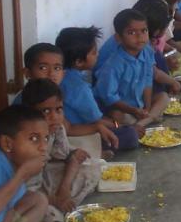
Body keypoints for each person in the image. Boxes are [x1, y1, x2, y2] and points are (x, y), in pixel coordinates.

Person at [20, 79, 102, 222]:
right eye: (45, 111)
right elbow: (24, 192)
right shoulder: (27, 145)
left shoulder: (57, 129)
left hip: (46, 175)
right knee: (50, 216)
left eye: (58, 109)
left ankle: (63, 201)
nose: (54, 116)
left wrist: (64, 188)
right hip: (27, 191)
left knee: (92, 167)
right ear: (29, 113)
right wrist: (55, 200)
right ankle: (56, 210)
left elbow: (67, 157)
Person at [54, 27, 140, 155]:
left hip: (78, 124)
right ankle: (97, 150)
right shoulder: (79, 87)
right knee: (130, 135)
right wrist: (119, 126)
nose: (98, 55)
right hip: (79, 133)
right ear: (78, 62)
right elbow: (96, 120)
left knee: (109, 107)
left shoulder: (66, 76)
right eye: (94, 53)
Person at [18, 43, 120, 152]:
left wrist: (97, 127)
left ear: (63, 73)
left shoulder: (54, 93)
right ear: (27, 73)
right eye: (43, 68)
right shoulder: (27, 99)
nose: (51, 74)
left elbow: (68, 127)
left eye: (57, 68)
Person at [93, 9, 169, 128]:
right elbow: (109, 97)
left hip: (139, 105)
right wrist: (133, 110)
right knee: (116, 115)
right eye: (131, 33)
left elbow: (147, 82)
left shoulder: (147, 51)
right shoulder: (113, 64)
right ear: (119, 38)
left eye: (144, 31)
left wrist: (147, 108)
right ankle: (146, 121)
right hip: (122, 108)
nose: (140, 36)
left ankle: (141, 123)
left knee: (163, 97)